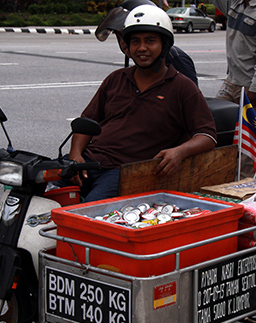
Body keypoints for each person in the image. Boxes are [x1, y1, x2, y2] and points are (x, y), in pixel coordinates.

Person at [69, 5, 217, 202]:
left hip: (124, 172)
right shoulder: (115, 79)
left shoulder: (182, 87)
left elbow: (207, 135)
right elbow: (87, 120)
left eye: (150, 41)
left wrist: (179, 152)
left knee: (85, 214)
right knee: (34, 189)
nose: (142, 48)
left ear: (164, 45)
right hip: (88, 162)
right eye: (135, 42)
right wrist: (75, 153)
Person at [95, 0, 199, 86]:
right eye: (120, 36)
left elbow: (192, 104)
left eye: (148, 40)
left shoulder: (175, 58)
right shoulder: (117, 79)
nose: (123, 43)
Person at [212, 0, 256, 125]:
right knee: (217, 120)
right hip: (231, 81)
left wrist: (254, 89)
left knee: (251, 133)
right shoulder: (235, 3)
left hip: (251, 84)